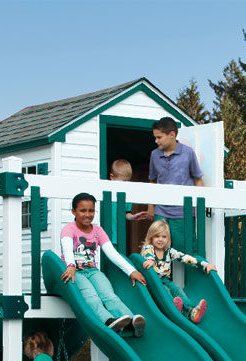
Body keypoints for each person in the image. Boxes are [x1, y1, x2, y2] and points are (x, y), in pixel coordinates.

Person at [60, 192, 147, 336]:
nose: (87, 214)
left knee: (109, 295)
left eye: (91, 210)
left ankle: (131, 320)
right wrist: (71, 265)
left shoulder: (98, 230)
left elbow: (112, 253)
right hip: (75, 273)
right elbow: (67, 248)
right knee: (91, 296)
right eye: (83, 210)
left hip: (93, 271)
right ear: (73, 211)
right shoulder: (69, 229)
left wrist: (131, 271)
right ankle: (108, 321)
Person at [141, 220, 216, 324]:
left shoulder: (169, 251)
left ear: (168, 238)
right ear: (151, 237)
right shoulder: (149, 248)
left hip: (166, 280)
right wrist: (151, 260)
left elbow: (185, 258)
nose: (160, 240)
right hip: (153, 282)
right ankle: (173, 309)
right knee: (165, 291)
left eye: (164, 236)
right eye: (157, 236)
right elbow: (148, 254)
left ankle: (191, 312)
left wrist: (204, 265)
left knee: (177, 290)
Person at [148, 116, 203, 252]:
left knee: (186, 250)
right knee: (158, 249)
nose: (156, 141)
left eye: (159, 137)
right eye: (155, 137)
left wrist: (201, 205)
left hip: (183, 212)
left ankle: (192, 273)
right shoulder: (154, 155)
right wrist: (150, 206)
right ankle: (161, 274)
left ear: (172, 134)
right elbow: (152, 181)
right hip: (161, 211)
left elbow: (198, 179)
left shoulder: (188, 153)